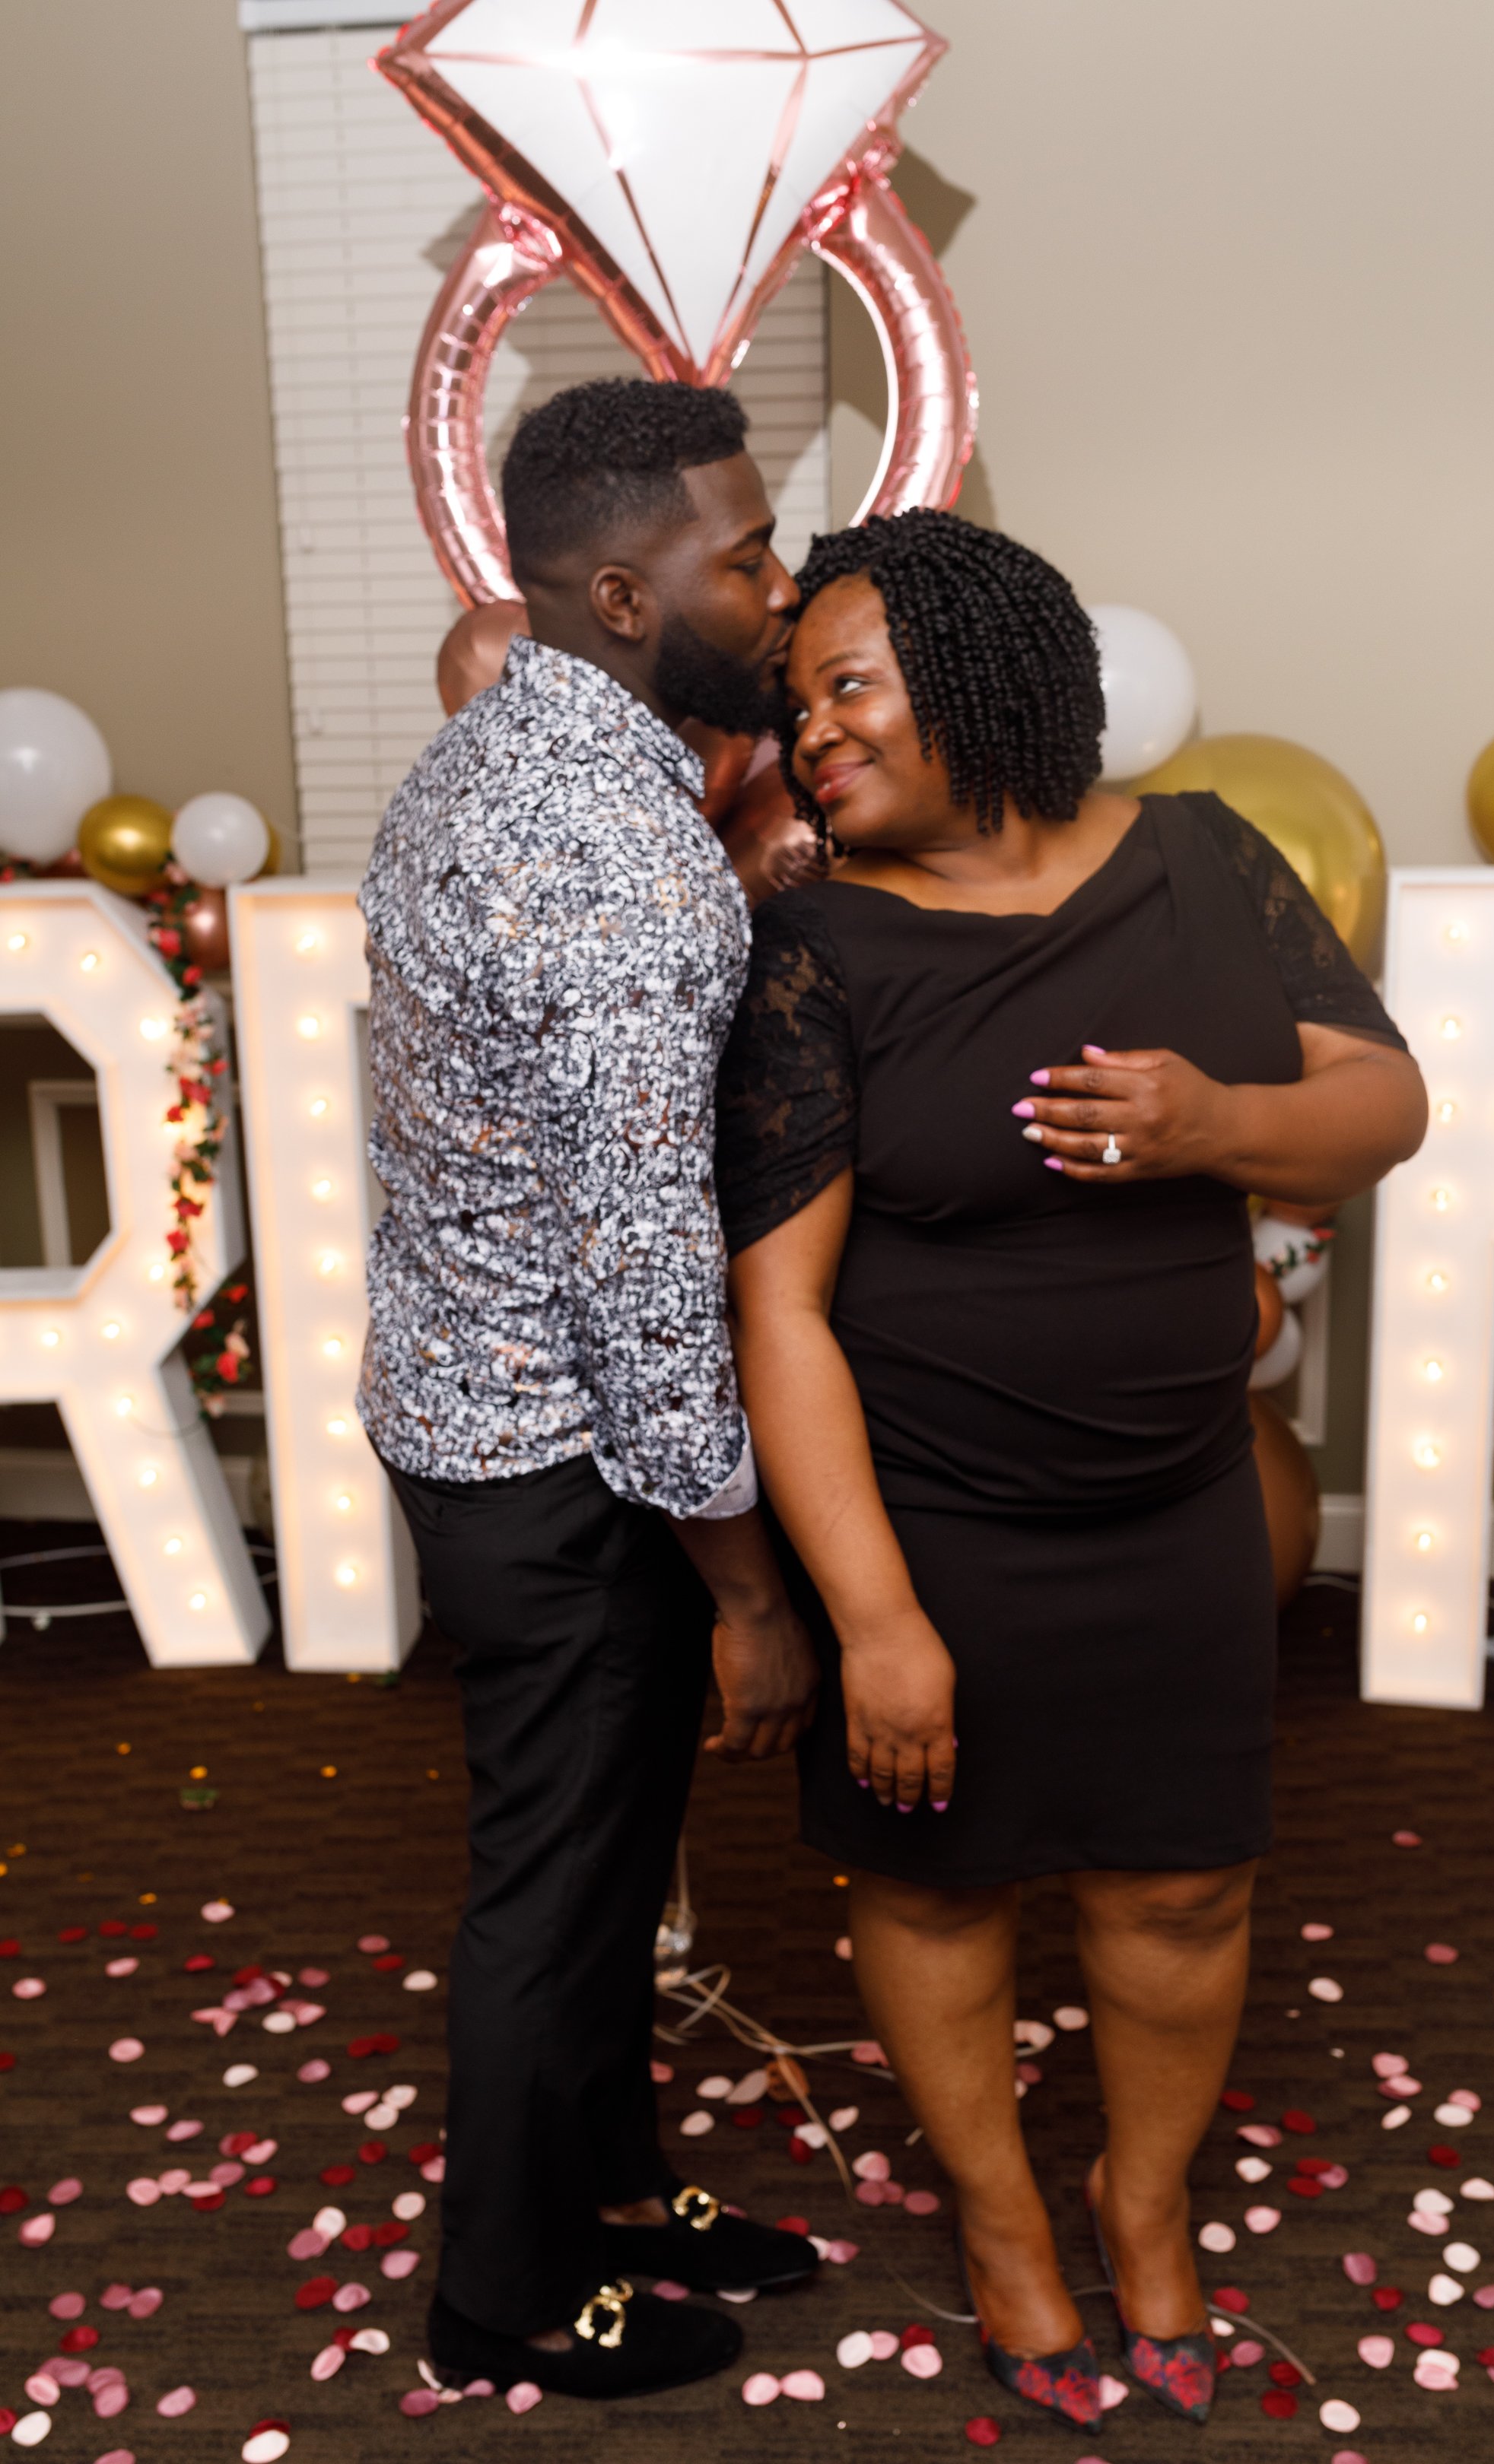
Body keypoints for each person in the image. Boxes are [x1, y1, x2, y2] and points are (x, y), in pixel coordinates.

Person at [717, 510, 1427, 2433]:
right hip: (932, 1526)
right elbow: (781, 1314)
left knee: (1184, 1888)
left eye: (848, 685)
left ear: (981, 674)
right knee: (942, 1890)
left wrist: (1216, 1126)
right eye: (796, 707)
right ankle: (1005, 2221)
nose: (813, 734)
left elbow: (1384, 1106)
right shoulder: (817, 949)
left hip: (1179, 1502)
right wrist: (874, 1621)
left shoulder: (1205, 859)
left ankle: (1148, 2203)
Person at [357, 379, 822, 2403]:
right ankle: (508, 2297)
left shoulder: (484, 762)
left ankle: (616, 2191)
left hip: (469, 1403)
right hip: (558, 1458)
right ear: (625, 596)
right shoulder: (627, 861)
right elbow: (643, 1274)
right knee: (559, 1884)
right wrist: (746, 1589)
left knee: (614, 1859)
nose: (779, 587)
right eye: (748, 555)